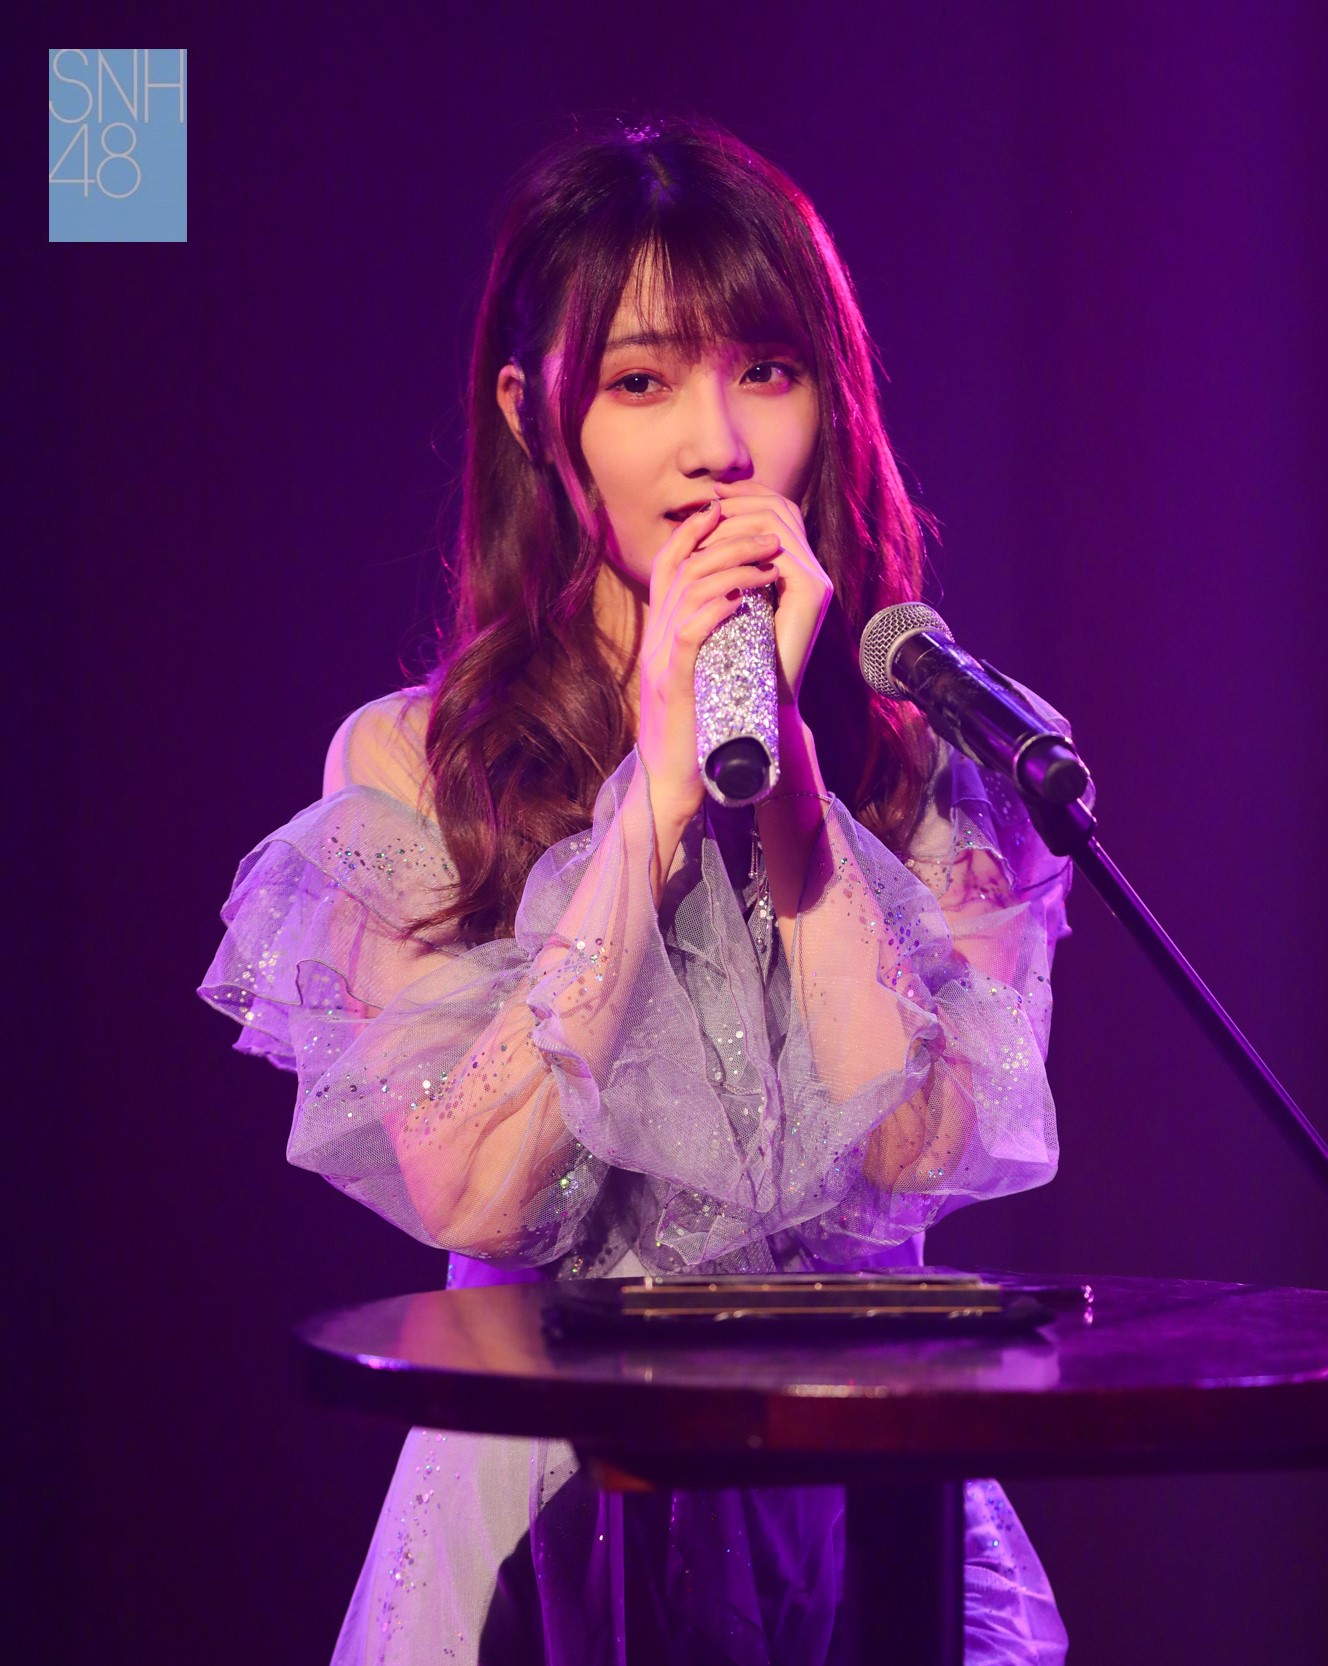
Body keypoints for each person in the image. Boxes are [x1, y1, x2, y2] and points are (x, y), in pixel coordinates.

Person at [199, 116, 1072, 1665]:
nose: (715, 444)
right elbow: (475, 1191)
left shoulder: (936, 760)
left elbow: (920, 1151)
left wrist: (789, 786)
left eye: (767, 370)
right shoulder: (416, 761)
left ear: (831, 399)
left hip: (867, 1501)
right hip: (542, 1506)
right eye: (641, 381)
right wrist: (656, 795)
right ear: (534, 416)